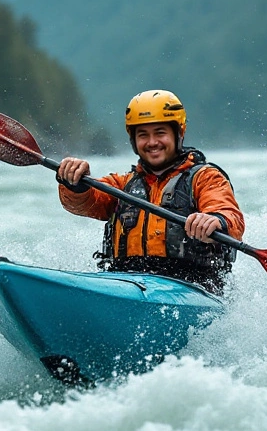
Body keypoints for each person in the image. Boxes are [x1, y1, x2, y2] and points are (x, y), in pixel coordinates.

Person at [55, 90, 245, 294]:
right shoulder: (122, 184)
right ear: (133, 140)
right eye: (143, 135)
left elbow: (230, 217)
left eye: (160, 133)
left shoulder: (205, 178)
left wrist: (215, 221)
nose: (152, 142)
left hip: (192, 288)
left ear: (178, 133)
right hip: (125, 283)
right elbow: (84, 202)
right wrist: (75, 183)